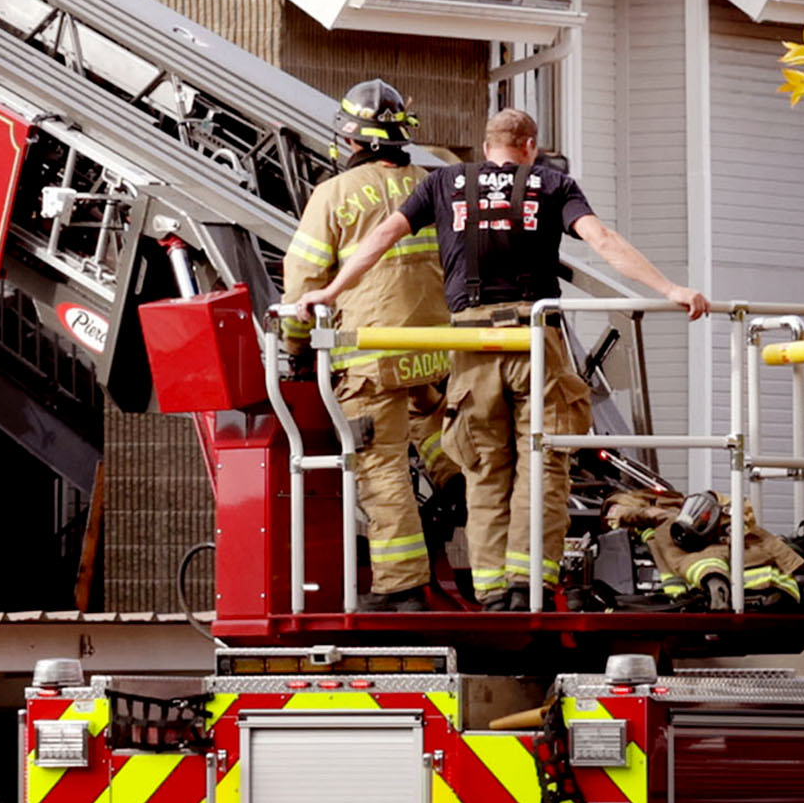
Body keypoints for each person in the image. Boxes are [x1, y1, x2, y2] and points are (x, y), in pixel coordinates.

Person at [301, 107, 710, 610]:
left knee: (483, 467)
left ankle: (493, 592)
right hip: (534, 341)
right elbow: (602, 241)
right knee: (541, 463)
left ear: (487, 144)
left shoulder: (444, 183)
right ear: (529, 147)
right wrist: (670, 288)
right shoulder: (553, 185)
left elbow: (382, 237)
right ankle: (529, 585)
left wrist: (331, 291)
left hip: (470, 347)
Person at [279, 81, 459, 612]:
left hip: (370, 352)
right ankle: (457, 486)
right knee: (431, 425)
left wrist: (295, 348)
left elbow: (303, 279)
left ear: (351, 140)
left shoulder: (333, 195)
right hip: (437, 347)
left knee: (380, 465)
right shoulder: (431, 184)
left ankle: (401, 588)